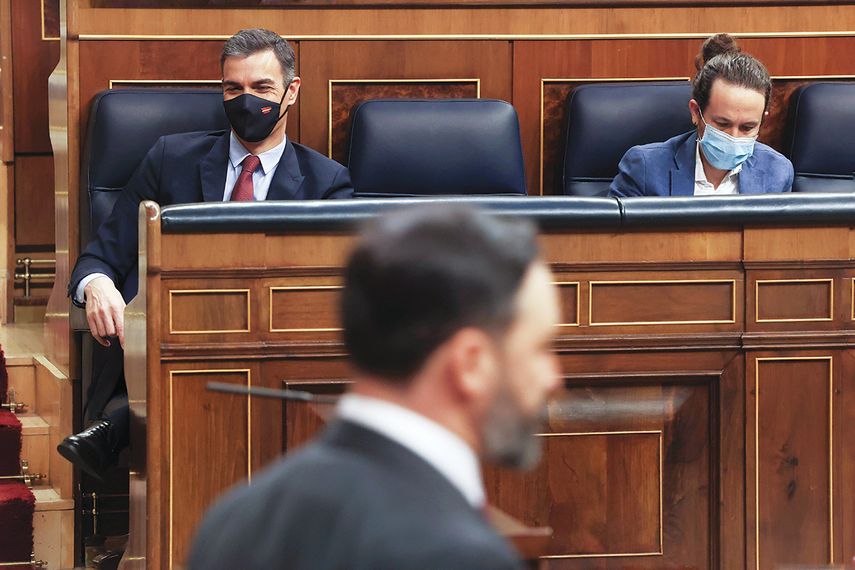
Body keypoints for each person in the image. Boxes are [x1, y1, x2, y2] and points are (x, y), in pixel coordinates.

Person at [188, 204, 561, 570]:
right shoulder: (461, 555)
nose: (554, 378)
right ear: (470, 363)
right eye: (540, 348)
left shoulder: (232, 519)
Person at [58, 28, 353, 479]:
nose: (245, 101)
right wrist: (97, 286)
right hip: (167, 335)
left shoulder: (326, 184)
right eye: (233, 88)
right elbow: (100, 257)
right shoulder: (169, 159)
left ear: (292, 92)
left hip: (268, 346)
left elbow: (330, 294)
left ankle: (116, 429)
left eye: (261, 88)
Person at [609, 33, 793, 197]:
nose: (734, 137)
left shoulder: (777, 172)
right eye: (722, 124)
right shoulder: (645, 168)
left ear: (763, 121)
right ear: (696, 112)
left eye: (747, 127)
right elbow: (612, 234)